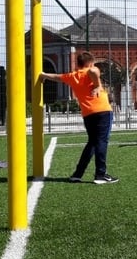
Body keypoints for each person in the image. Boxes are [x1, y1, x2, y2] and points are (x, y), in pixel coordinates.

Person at [39, 51, 118, 184]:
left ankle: (77, 174)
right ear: (89, 62)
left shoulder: (73, 76)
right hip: (102, 111)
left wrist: (44, 75)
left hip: (88, 114)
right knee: (101, 142)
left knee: (92, 143)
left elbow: (57, 77)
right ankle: (100, 174)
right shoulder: (90, 70)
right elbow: (94, 71)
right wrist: (98, 85)